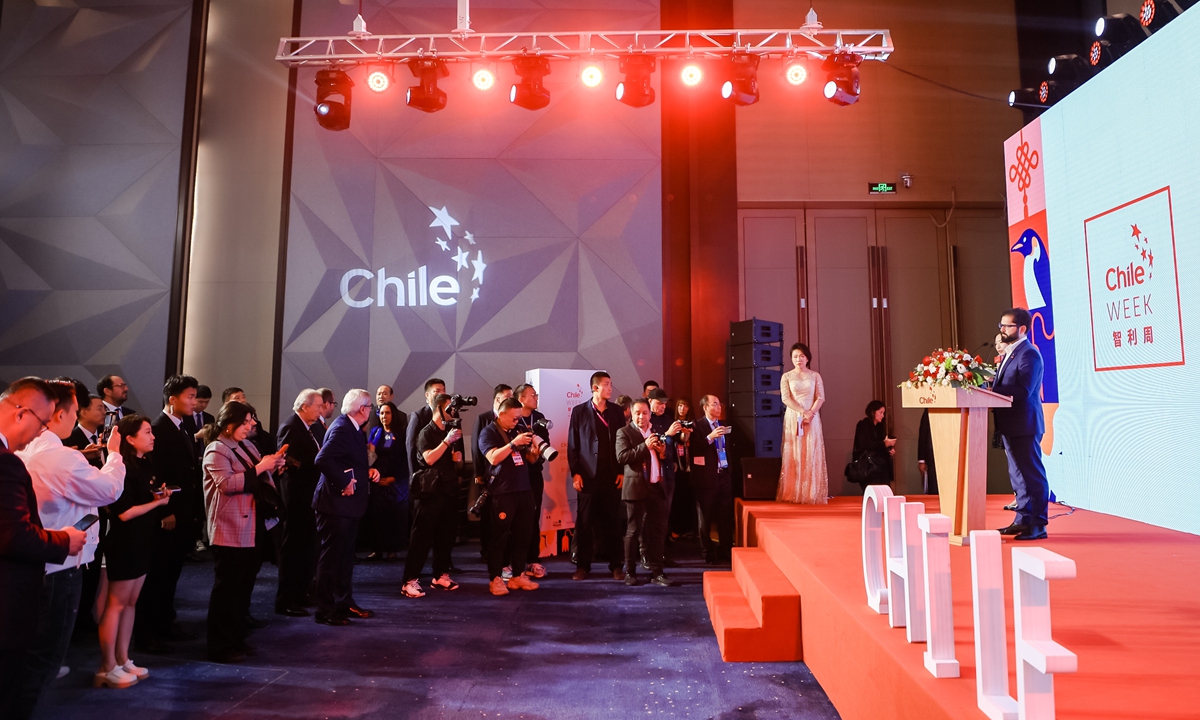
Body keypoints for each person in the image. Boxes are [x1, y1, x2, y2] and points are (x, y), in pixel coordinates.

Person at [16, 380, 124, 715]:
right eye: (75, 412)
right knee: (44, 659)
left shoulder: (25, 451)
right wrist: (115, 455)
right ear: (57, 413)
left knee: (28, 654)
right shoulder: (58, 457)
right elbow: (108, 490)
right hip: (60, 563)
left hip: (35, 559)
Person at [0, 379, 86, 714]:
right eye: (42, 423)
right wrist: (65, 539)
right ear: (22, 414)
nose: (40, 433)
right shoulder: (6, 462)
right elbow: (14, 536)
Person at [202, 402, 286, 663]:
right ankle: (220, 645)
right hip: (230, 527)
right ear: (229, 423)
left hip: (253, 524)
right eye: (246, 421)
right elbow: (227, 484)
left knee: (244, 585)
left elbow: (257, 477)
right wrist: (262, 467)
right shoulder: (216, 449)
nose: (252, 426)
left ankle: (236, 637)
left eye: (252, 421)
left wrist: (273, 466)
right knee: (227, 588)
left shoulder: (247, 446)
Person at [96, 414, 172, 689]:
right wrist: (157, 505)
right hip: (124, 542)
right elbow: (124, 513)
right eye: (148, 432)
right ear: (130, 438)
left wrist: (158, 497)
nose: (153, 437)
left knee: (130, 603)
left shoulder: (144, 464)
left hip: (142, 539)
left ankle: (123, 658)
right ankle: (107, 665)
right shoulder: (122, 467)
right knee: (115, 604)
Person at [136, 375, 200, 653]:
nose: (194, 402)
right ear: (172, 399)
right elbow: (157, 474)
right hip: (168, 512)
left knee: (171, 572)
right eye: (190, 396)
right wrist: (168, 511)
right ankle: (149, 632)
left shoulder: (182, 426)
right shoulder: (159, 429)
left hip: (185, 511)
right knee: (159, 573)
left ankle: (165, 621)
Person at [312, 389, 377, 626]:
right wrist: (344, 481)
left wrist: (366, 471)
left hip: (347, 506)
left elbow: (348, 461)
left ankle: (343, 602)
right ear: (362, 409)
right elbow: (322, 459)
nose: (371, 411)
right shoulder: (342, 428)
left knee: (345, 558)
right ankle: (325, 609)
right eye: (370, 407)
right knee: (331, 559)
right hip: (335, 504)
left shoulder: (353, 428)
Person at [993, 308, 1049, 541]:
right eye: (1002, 326)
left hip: (1025, 424)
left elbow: (1024, 391)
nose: (1002, 330)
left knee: (1031, 474)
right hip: (1011, 424)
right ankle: (1022, 520)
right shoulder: (1011, 353)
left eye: (1007, 326)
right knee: (1018, 476)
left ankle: (1037, 524)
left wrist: (991, 390)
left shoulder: (1029, 354)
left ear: (1022, 329)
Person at [567, 371, 627, 581]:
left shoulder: (617, 412)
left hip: (611, 476)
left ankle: (617, 565)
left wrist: (621, 471)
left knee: (613, 521)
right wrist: (576, 473)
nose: (610, 388)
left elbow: (623, 444)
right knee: (584, 523)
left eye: (611, 384)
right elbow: (573, 444)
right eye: (606, 385)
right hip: (587, 477)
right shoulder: (579, 411)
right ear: (595, 388)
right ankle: (583, 565)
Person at [402, 394, 464, 598]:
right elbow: (428, 459)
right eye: (449, 409)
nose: (452, 413)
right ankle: (409, 580)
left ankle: (440, 574)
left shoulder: (452, 432)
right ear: (438, 409)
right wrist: (446, 443)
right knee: (421, 537)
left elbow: (457, 463)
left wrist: (458, 459)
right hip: (429, 492)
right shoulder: (426, 432)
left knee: (446, 536)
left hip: (449, 489)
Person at [478, 398, 540, 596]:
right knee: (499, 537)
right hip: (502, 492)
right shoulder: (488, 432)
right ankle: (495, 578)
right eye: (513, 418)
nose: (516, 422)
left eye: (519, 418)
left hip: (523, 489)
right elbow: (493, 457)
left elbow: (528, 459)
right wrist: (513, 443)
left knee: (524, 535)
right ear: (501, 414)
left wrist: (535, 453)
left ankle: (518, 575)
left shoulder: (517, 430)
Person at [616, 398, 675, 587]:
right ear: (631, 414)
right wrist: (645, 446)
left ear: (650, 413)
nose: (641, 416)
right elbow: (622, 457)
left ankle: (657, 572)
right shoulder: (624, 432)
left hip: (657, 487)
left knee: (658, 532)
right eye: (637, 413)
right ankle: (630, 572)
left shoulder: (657, 432)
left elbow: (668, 459)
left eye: (645, 413)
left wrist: (663, 452)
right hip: (636, 488)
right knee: (633, 531)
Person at [275, 389, 323, 617]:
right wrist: (316, 464)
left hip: (308, 497)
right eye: (318, 406)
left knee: (306, 547)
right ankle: (286, 599)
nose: (321, 410)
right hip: (295, 498)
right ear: (305, 406)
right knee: (293, 548)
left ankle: (300, 592)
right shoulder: (290, 426)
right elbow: (287, 461)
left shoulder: (310, 428)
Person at [777, 342, 829, 504]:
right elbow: (785, 398)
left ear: (807, 358)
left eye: (801, 356)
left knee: (811, 451)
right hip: (795, 417)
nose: (798, 359)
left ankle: (811, 493)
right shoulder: (786, 376)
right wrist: (802, 411)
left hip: (811, 418)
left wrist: (811, 413)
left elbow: (820, 397)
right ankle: (792, 492)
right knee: (794, 452)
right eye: (795, 357)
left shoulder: (815, 375)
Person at [690, 395, 734, 564]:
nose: (719, 406)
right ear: (705, 407)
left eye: (719, 403)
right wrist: (710, 437)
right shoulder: (697, 425)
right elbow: (694, 449)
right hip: (705, 479)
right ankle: (707, 552)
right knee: (705, 518)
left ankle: (725, 550)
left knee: (725, 516)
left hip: (723, 475)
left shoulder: (723, 425)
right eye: (714, 404)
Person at [473, 385, 512, 566]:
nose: (511, 400)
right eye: (507, 397)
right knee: (487, 515)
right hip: (488, 474)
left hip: (508, 478)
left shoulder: (514, 421)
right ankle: (485, 550)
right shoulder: (484, 419)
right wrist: (478, 473)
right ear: (497, 400)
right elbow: (476, 448)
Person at [646, 388, 685, 569]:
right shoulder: (645, 420)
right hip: (651, 475)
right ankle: (646, 555)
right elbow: (650, 444)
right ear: (650, 401)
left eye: (664, 403)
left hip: (668, 473)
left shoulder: (669, 420)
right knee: (649, 517)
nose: (663, 406)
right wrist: (668, 434)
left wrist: (683, 434)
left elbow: (675, 445)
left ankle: (660, 554)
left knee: (664, 516)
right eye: (659, 403)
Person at [365, 402, 409, 561]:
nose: (384, 416)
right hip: (377, 480)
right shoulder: (375, 432)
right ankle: (377, 549)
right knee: (377, 517)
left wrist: (393, 478)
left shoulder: (401, 433)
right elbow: (370, 456)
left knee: (394, 517)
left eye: (388, 413)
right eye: (382, 413)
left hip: (396, 482)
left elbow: (403, 459)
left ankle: (392, 550)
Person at [514, 384, 548, 579]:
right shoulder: (514, 418)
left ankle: (533, 560)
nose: (536, 398)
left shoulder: (540, 418)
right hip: (516, 475)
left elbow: (546, 441)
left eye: (536, 395)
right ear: (521, 399)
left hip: (534, 474)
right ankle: (514, 563)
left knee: (533, 517)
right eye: (532, 395)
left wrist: (537, 454)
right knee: (516, 519)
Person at [406, 378, 446, 486]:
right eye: (437, 391)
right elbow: (411, 447)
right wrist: (414, 475)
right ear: (427, 395)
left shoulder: (451, 414)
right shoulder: (419, 416)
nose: (441, 394)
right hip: (426, 477)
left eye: (444, 390)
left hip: (447, 476)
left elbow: (458, 443)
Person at [668, 398, 696, 538]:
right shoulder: (672, 424)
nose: (682, 408)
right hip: (676, 466)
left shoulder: (694, 424)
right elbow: (675, 441)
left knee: (689, 498)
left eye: (685, 406)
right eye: (680, 405)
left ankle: (689, 529)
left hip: (691, 466)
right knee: (677, 498)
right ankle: (676, 529)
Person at [850, 400, 896, 487]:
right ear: (872, 412)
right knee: (872, 492)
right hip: (869, 467)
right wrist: (884, 444)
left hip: (881, 466)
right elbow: (865, 444)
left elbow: (881, 444)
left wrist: (889, 449)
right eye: (880, 412)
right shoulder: (863, 425)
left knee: (884, 491)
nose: (882, 415)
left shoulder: (880, 427)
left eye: (883, 413)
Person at [67, 392, 107, 468]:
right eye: (99, 408)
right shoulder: (69, 439)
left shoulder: (106, 435)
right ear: (84, 413)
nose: (104, 412)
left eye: (104, 408)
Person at [917, 409, 937, 495]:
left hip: (951, 455)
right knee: (933, 484)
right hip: (932, 454)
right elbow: (923, 435)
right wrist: (921, 459)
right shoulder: (929, 410)